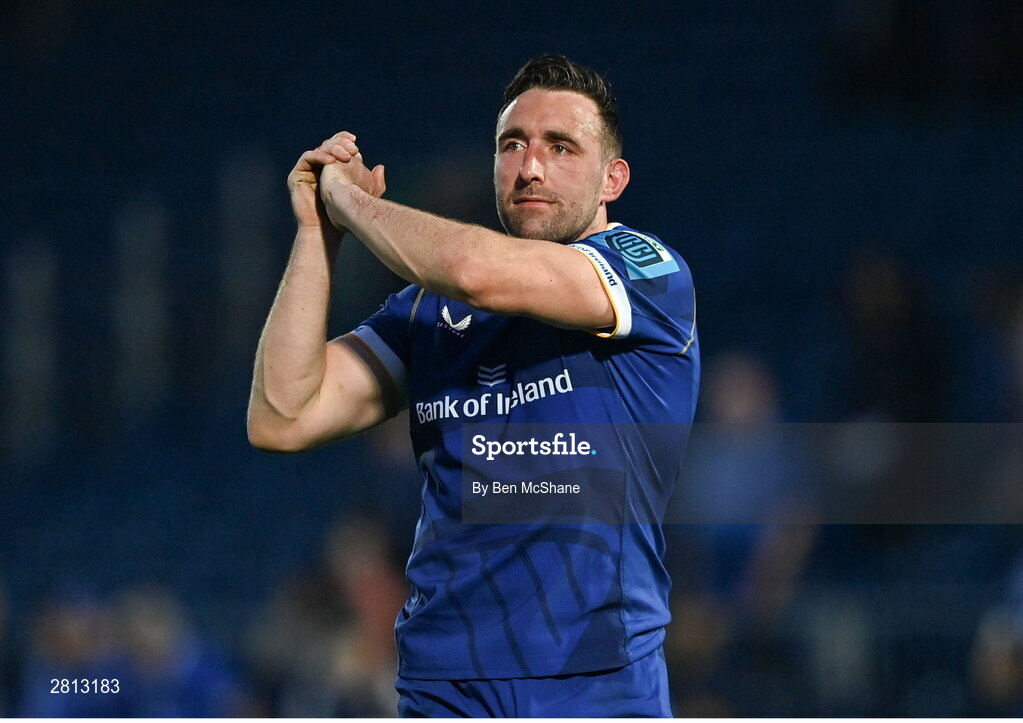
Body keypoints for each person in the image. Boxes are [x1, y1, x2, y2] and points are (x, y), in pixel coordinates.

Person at [248, 54, 700, 717]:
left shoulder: (645, 271)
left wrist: (349, 200)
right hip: (444, 687)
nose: (530, 166)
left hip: (592, 684)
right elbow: (281, 415)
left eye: (560, 146)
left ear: (613, 178)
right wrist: (318, 230)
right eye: (510, 145)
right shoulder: (425, 312)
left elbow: (472, 267)